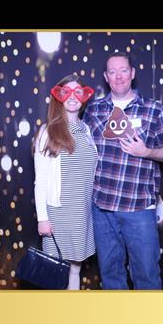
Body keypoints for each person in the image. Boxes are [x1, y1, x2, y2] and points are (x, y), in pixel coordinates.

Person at [83, 51, 163, 289]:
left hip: (139, 208)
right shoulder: (94, 110)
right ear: (106, 76)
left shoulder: (153, 109)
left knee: (147, 277)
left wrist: (147, 152)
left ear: (133, 73)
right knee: (110, 276)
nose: (118, 77)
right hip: (102, 208)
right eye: (113, 72)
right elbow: (79, 148)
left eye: (123, 70)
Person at [33, 74, 97, 290]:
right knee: (54, 272)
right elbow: (41, 180)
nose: (72, 97)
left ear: (84, 97)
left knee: (76, 269)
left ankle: (73, 308)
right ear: (58, 97)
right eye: (65, 92)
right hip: (58, 212)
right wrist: (42, 218)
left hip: (82, 212)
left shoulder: (87, 131)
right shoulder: (48, 131)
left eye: (77, 92)